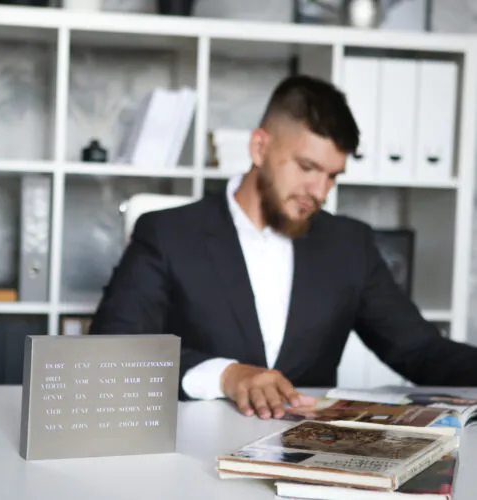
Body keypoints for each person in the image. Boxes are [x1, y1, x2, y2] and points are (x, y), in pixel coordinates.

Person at [89, 74, 477, 420]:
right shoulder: (167, 232)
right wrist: (225, 374)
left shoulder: (350, 245)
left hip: (307, 465)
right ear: (259, 148)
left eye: (332, 176)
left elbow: (422, 351)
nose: (320, 191)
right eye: (307, 168)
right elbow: (111, 351)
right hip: (191, 462)